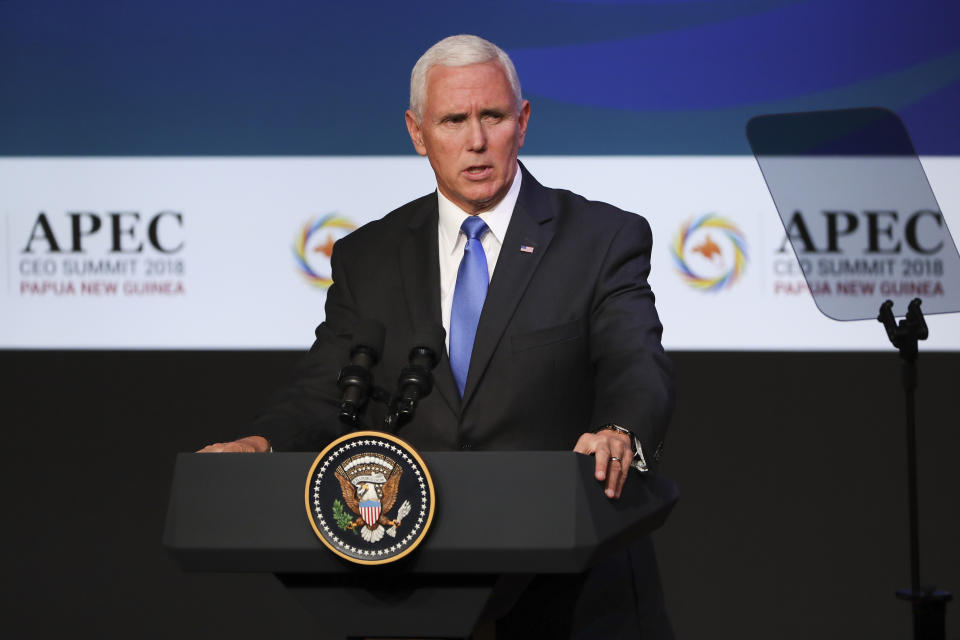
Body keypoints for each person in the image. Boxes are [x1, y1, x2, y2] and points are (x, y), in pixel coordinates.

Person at [199, 34, 675, 638]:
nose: (476, 141)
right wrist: (261, 444)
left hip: (574, 589)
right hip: (419, 586)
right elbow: (326, 387)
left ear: (522, 122)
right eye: (453, 120)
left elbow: (636, 361)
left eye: (493, 116)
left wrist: (620, 429)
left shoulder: (601, 238)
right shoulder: (368, 255)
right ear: (417, 133)